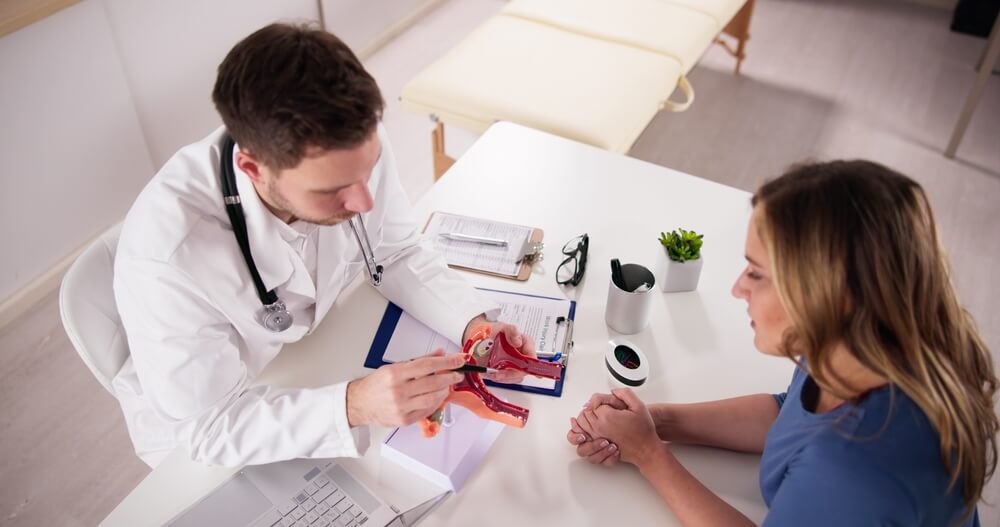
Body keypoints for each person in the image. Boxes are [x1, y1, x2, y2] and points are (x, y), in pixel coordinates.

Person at [112, 23, 532, 468]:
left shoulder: (350, 142)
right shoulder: (165, 257)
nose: (364, 201)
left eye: (368, 172)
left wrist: (473, 325)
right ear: (253, 168)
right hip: (215, 434)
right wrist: (352, 406)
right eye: (333, 191)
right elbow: (211, 427)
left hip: (315, 355)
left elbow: (395, 250)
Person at [567, 160, 997, 526]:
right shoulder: (859, 342)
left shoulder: (854, 471)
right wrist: (655, 422)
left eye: (756, 273)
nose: (737, 288)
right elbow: (788, 408)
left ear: (829, 294)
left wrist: (650, 456)